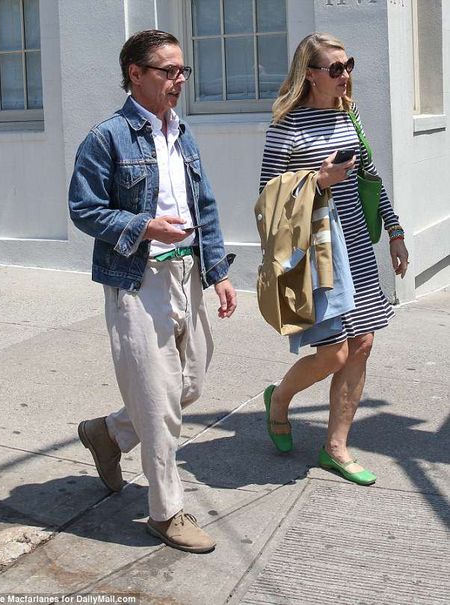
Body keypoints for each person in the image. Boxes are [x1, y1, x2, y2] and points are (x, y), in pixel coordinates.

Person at [69, 29, 236, 553]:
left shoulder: (182, 133)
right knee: (161, 403)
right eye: (167, 71)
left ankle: (111, 432)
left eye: (182, 70)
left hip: (186, 273)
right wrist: (143, 227)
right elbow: (84, 208)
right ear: (135, 74)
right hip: (137, 280)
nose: (178, 80)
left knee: (189, 384)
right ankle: (167, 512)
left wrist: (219, 272)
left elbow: (203, 206)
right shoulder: (107, 137)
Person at [259, 33, 409, 485]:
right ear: (310, 74)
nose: (346, 75)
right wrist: (318, 181)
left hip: (357, 245)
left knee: (362, 344)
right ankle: (281, 398)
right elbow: (265, 197)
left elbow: (371, 178)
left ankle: (335, 448)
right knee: (334, 352)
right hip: (318, 252)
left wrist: (396, 231)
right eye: (336, 68)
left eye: (349, 65)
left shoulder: (350, 116)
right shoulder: (286, 127)